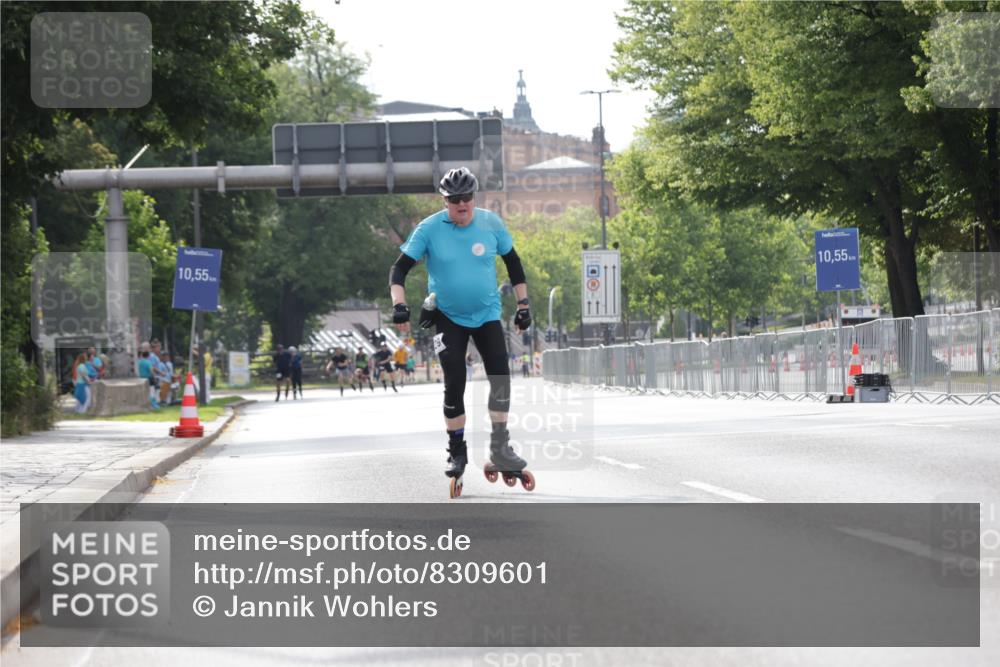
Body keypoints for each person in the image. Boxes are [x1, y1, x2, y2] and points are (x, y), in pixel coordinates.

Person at [389, 166, 532, 485]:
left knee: (500, 379)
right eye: (455, 200)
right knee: (454, 382)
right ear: (445, 202)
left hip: (487, 315)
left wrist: (523, 306)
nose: (462, 204)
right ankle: (457, 450)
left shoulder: (491, 223)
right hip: (447, 317)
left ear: (474, 197)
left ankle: (500, 448)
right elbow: (398, 270)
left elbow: (514, 264)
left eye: (467, 197)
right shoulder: (428, 229)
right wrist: (400, 306)